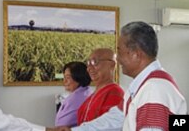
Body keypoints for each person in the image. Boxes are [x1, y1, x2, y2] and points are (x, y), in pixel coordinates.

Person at [57, 21, 187, 131]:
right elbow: (115, 118)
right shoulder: (141, 87)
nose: (117, 60)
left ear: (136, 54)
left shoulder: (154, 89)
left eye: (119, 52)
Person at [77, 48, 124, 125]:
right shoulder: (94, 94)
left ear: (112, 65)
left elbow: (109, 126)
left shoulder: (115, 92)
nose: (89, 68)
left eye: (95, 62)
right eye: (88, 63)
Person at [55, 61, 93, 127]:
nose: (64, 81)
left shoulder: (78, 98)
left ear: (78, 78)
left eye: (68, 77)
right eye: (64, 77)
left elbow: (62, 125)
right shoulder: (86, 92)